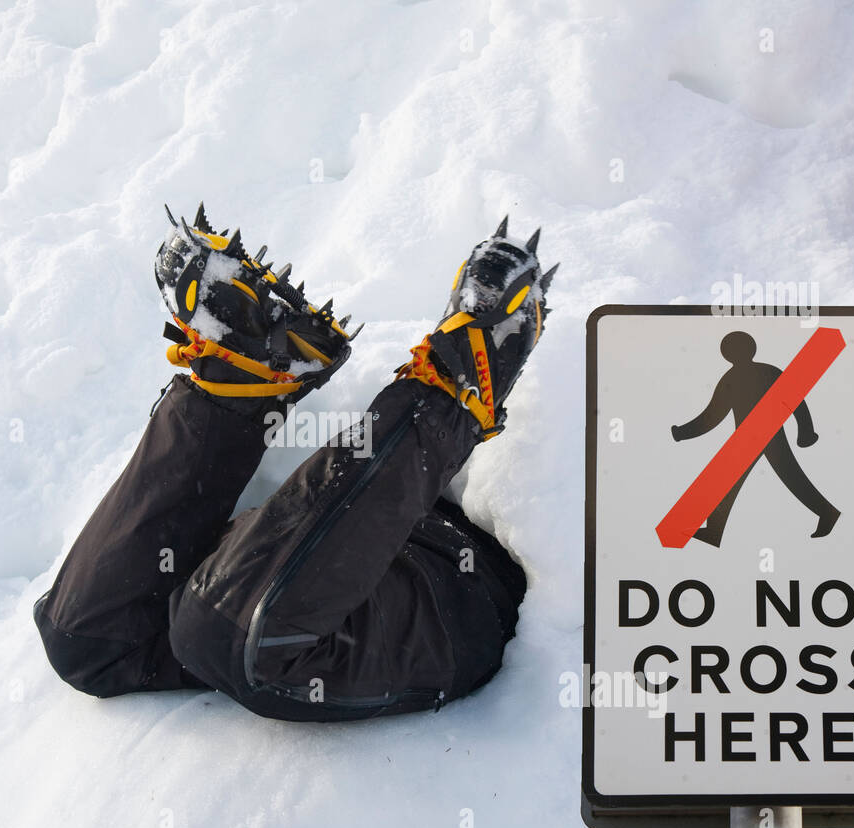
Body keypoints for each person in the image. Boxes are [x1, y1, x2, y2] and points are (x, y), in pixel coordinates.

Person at [33, 205, 556, 721]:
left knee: (229, 635)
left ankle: (454, 388)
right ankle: (243, 381)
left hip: (455, 589)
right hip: (327, 548)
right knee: (84, 639)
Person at [671, 330, 840, 547]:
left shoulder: (752, 375)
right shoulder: (751, 375)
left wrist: (806, 431)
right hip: (748, 438)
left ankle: (827, 513)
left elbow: (795, 400)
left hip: (762, 436)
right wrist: (683, 433)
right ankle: (714, 529)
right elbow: (713, 415)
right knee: (733, 481)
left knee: (789, 478)